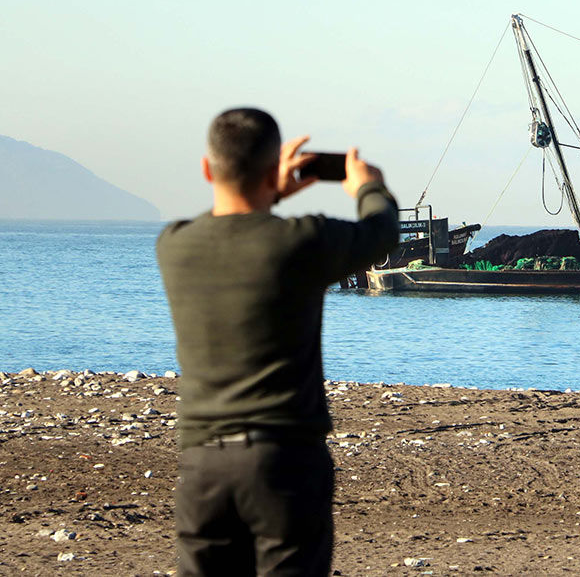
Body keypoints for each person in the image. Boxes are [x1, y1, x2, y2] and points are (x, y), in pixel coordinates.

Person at [156, 108, 399, 576]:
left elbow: (233, 226)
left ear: (207, 169)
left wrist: (269, 189)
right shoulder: (302, 240)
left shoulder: (174, 245)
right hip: (285, 460)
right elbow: (380, 232)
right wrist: (370, 185)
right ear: (274, 170)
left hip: (203, 463)